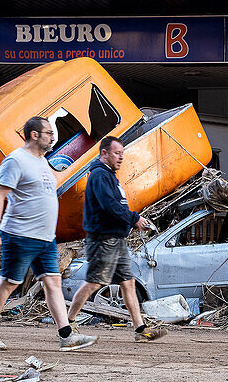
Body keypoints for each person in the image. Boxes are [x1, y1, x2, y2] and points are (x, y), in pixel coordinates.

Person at [0, 116, 97, 352]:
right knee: (10, 283)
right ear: (34, 135)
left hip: (44, 238)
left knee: (52, 282)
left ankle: (66, 335)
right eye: (49, 133)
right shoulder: (16, 160)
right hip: (20, 234)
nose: (53, 137)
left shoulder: (42, 161)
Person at [67, 136, 167, 342]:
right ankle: (68, 324)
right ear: (104, 153)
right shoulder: (99, 176)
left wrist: (135, 219)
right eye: (116, 153)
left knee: (128, 282)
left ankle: (140, 330)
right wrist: (134, 218)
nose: (121, 157)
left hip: (115, 239)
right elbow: (109, 206)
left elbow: (117, 206)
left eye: (122, 153)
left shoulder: (109, 176)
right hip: (103, 239)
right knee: (94, 282)